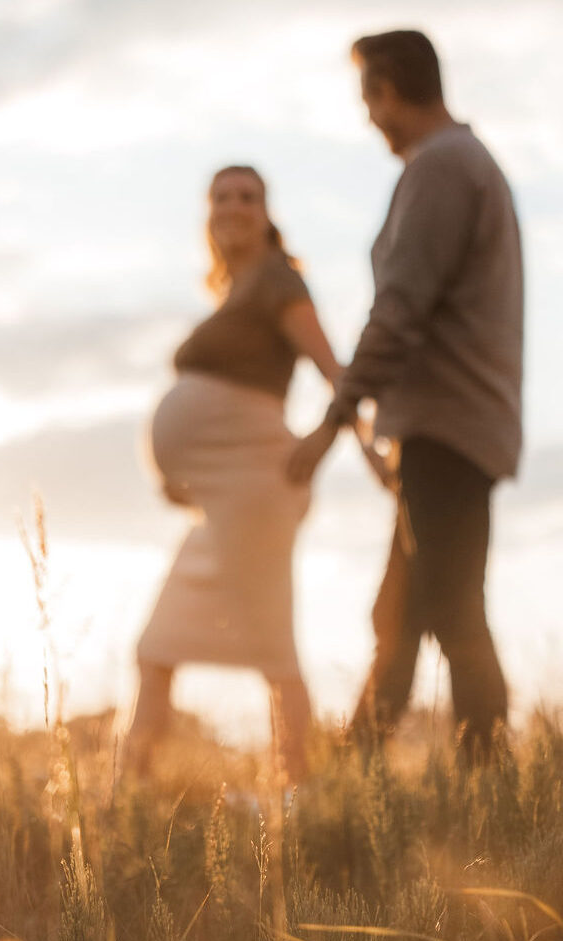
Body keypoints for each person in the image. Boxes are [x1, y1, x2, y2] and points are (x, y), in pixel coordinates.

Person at [287, 29, 524, 757]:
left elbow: (399, 309)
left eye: (368, 97)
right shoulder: (462, 164)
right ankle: (356, 782)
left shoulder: (442, 168)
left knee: (450, 611)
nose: (367, 117)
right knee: (401, 613)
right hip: (447, 427)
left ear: (389, 87)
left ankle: (486, 795)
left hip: (447, 431)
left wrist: (334, 417)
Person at [123, 165, 385, 783]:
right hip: (220, 495)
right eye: (221, 196)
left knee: (274, 650)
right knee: (155, 648)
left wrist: (355, 443)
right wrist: (181, 468)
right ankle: (125, 798)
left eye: (248, 197)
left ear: (267, 215)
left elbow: (334, 369)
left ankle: (298, 802)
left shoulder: (276, 279)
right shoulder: (235, 289)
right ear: (207, 212)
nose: (233, 206)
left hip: (255, 490)